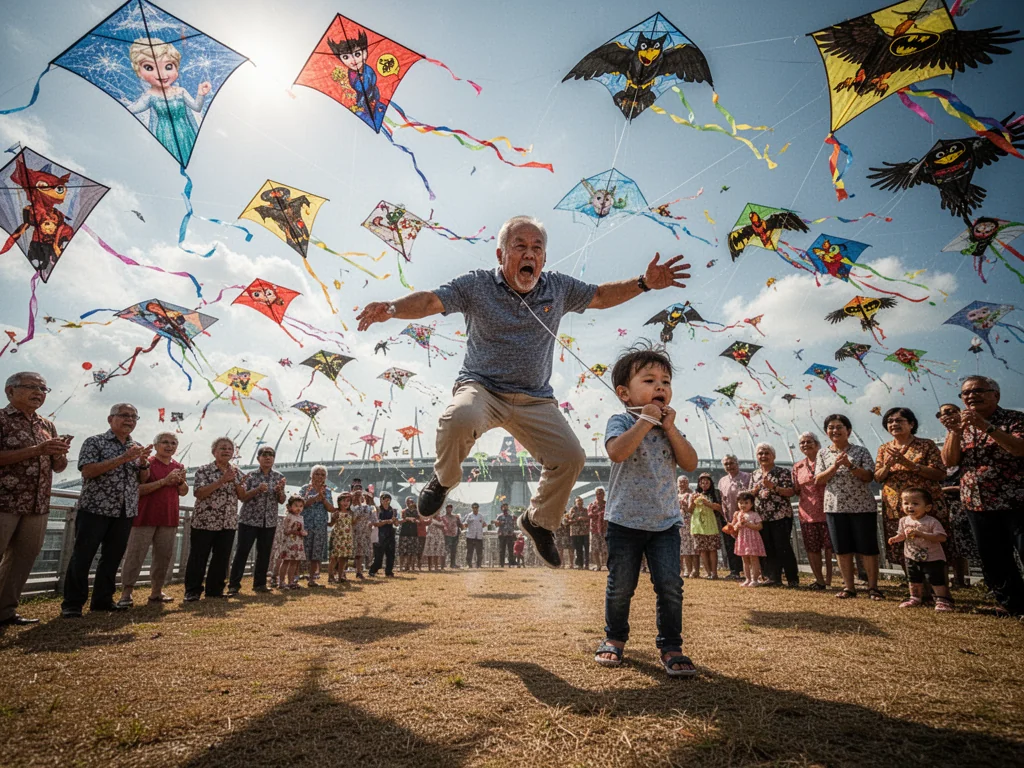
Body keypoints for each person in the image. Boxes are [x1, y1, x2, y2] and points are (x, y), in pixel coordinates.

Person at [356, 215, 691, 568]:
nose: (529, 253)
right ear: (501, 253)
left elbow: (601, 296)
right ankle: (443, 480)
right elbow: (430, 302)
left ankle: (537, 521)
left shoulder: (558, 287)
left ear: (543, 259)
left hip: (535, 398)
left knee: (572, 457)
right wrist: (392, 309)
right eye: (520, 246)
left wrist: (644, 283)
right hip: (482, 388)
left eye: (537, 248)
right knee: (459, 417)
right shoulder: (477, 285)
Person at [594, 343, 698, 677]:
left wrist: (668, 427)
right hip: (624, 520)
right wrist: (643, 422)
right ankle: (615, 639)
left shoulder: (669, 428)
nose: (660, 387)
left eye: (665, 382)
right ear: (624, 393)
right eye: (649, 380)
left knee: (669, 585)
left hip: (665, 522)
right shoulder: (621, 419)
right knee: (621, 585)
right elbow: (617, 452)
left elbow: (690, 463)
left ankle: (671, 646)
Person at [939, 376, 1024, 617]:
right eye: (965, 393)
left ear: (995, 395)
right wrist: (954, 432)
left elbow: (1019, 449)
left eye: (978, 391)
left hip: (1015, 499)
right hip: (977, 502)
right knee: (994, 557)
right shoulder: (961, 425)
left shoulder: (1014, 419)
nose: (971, 396)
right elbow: (949, 461)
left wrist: (986, 426)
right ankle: (1010, 604)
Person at [62, 404, 151, 618]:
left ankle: (102, 600)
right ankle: (73, 603)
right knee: (83, 556)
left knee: (112, 558)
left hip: (124, 510)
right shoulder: (95, 442)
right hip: (96, 507)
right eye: (124, 415)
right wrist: (123, 458)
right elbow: (88, 471)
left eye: (133, 416)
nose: (129, 420)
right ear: (110, 419)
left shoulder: (136, 446)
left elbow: (143, 479)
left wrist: (143, 463)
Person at [0, 372, 70, 626]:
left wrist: (58, 454)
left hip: (37, 504)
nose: (39, 393)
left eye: (43, 389)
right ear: (10, 391)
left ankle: (6, 611)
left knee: (22, 560)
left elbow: (58, 468)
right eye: (31, 387)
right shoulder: (1, 419)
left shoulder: (47, 425)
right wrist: (37, 450)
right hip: (5, 500)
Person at [875, 407, 951, 577]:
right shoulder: (883, 448)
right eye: (890, 421)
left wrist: (908, 463)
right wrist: (888, 465)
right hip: (897, 507)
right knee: (903, 542)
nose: (894, 424)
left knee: (933, 542)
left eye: (899, 420)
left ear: (911, 424)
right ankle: (915, 586)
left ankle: (939, 587)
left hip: (925, 505)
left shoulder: (926, 445)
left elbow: (940, 473)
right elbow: (878, 477)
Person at [815, 414, 882, 601]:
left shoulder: (860, 451)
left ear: (848, 431)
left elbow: (869, 476)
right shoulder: (822, 453)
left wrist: (850, 465)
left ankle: (873, 587)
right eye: (830, 427)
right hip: (834, 507)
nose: (834, 431)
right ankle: (849, 587)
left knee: (867, 548)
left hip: (862, 506)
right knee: (842, 549)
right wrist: (834, 467)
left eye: (839, 427)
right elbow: (818, 479)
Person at [118, 432, 187, 607]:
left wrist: (179, 481)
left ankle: (156, 592)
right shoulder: (146, 463)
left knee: (164, 557)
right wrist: (165, 481)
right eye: (165, 442)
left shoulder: (178, 466)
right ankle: (126, 593)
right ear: (155, 446)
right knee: (135, 554)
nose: (169, 446)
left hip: (169, 517)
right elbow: (138, 489)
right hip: (145, 516)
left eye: (173, 443)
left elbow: (184, 491)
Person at [186, 437, 244, 602]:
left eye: (229, 449)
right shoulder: (204, 470)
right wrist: (222, 480)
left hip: (228, 521)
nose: (227, 451)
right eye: (223, 448)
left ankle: (215, 590)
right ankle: (192, 590)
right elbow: (199, 492)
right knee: (199, 556)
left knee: (222, 557)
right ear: (214, 452)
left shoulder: (237, 472)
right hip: (205, 520)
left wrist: (239, 484)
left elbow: (242, 496)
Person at [228, 446, 286, 595]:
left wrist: (280, 492)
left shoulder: (279, 477)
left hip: (269, 521)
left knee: (265, 553)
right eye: (264, 455)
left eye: (271, 455)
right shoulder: (250, 476)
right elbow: (243, 497)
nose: (268, 458)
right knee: (242, 552)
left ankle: (260, 584)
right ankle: (234, 585)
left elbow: (282, 500)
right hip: (249, 519)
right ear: (258, 458)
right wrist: (258, 489)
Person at [888, 488, 954, 612]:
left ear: (927, 507)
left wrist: (921, 534)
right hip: (911, 555)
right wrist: (896, 538)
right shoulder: (904, 520)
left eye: (915, 503)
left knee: (935, 579)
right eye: (906, 503)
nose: (909, 506)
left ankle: (942, 599)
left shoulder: (931, 522)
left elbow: (942, 537)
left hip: (932, 557)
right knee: (913, 578)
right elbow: (902, 534)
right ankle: (915, 597)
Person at [749, 443, 798, 588]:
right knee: (767, 547)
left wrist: (774, 487)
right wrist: (753, 492)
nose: (763, 456)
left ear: (773, 456)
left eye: (766, 453)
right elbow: (750, 495)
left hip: (780, 516)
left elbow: (791, 492)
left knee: (783, 546)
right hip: (762, 517)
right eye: (760, 454)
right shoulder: (754, 474)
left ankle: (792, 578)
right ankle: (773, 577)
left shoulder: (782, 472)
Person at [791, 432, 833, 590]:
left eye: (809, 442)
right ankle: (819, 581)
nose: (805, 445)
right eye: (802, 443)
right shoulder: (797, 466)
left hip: (828, 510)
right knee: (812, 548)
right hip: (807, 513)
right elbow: (796, 489)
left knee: (830, 549)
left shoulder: (827, 461)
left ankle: (830, 580)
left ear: (817, 444)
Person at [299, 466, 334, 586]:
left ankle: (312, 579)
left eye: (322, 475)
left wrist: (323, 498)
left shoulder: (328, 491)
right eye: (317, 474)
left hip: (320, 525)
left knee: (316, 552)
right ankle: (295, 577)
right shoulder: (305, 489)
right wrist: (315, 498)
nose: (319, 477)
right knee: (302, 551)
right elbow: (301, 504)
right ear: (311, 475)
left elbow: (331, 509)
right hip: (306, 524)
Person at [717, 455, 749, 580]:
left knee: (746, 545)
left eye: (731, 463)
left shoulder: (747, 477)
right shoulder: (722, 481)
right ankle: (735, 571)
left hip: (744, 519)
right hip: (729, 519)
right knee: (731, 546)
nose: (729, 466)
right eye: (726, 464)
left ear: (737, 463)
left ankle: (750, 571)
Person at [690, 474, 722, 579]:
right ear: (699, 484)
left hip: (711, 525)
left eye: (707, 482)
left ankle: (714, 573)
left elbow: (719, 508)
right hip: (698, 525)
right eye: (702, 482)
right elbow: (690, 510)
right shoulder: (694, 494)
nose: (704, 485)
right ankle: (708, 573)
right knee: (702, 550)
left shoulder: (715, 493)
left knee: (712, 549)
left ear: (711, 483)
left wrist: (707, 503)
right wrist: (692, 502)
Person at [731, 491, 765, 587]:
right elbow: (733, 527)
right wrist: (737, 525)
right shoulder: (737, 514)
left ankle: (755, 579)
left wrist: (748, 524)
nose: (743, 505)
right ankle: (748, 579)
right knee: (745, 559)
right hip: (742, 539)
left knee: (754, 559)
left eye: (746, 503)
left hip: (753, 539)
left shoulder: (754, 514)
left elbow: (759, 526)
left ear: (751, 504)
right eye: (741, 503)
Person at [278, 496, 308, 590]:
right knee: (286, 561)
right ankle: (282, 582)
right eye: (296, 506)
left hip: (298, 542)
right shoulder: (289, 517)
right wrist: (294, 532)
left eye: (301, 506)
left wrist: (303, 532)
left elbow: (301, 529)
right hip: (289, 542)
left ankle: (291, 581)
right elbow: (286, 530)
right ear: (290, 507)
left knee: (294, 562)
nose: (299, 508)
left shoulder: (301, 517)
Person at [369, 493, 398, 577]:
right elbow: (376, 522)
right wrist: (386, 521)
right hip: (380, 533)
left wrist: (395, 521)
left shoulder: (392, 510)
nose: (386, 501)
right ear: (381, 500)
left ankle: (389, 571)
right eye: (385, 499)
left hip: (390, 533)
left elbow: (396, 524)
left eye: (388, 500)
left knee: (391, 554)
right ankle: (373, 570)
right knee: (378, 555)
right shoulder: (377, 509)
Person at [328, 492, 354, 582]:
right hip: (338, 537)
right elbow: (331, 524)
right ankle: (331, 576)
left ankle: (340, 576)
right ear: (339, 502)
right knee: (334, 557)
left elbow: (352, 523)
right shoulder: (336, 512)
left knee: (343, 558)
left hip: (347, 538)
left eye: (348, 501)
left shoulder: (351, 512)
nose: (346, 503)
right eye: (343, 501)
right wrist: (333, 519)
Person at [676, 477, 698, 578]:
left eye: (685, 482)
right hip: (677, 523)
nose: (682, 484)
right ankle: (682, 569)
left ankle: (693, 570)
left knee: (691, 548)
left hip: (688, 522)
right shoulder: (675, 494)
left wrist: (684, 506)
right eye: (680, 482)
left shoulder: (691, 494)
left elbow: (691, 510)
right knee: (680, 547)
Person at [350, 489, 374, 579]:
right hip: (352, 533)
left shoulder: (367, 508)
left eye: (360, 496)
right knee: (347, 554)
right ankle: (340, 572)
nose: (358, 498)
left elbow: (373, 517)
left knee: (360, 553)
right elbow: (351, 521)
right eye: (356, 496)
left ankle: (359, 571)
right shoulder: (350, 507)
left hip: (363, 533)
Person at [588, 488, 608, 571]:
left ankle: (607, 565)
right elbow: (589, 514)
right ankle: (598, 565)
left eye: (601, 494)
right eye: (598, 494)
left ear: (604, 495)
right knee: (595, 549)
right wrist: (599, 514)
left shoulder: (607, 505)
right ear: (596, 495)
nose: (599, 495)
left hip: (605, 529)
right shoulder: (592, 505)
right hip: (595, 530)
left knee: (605, 549)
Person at [399, 496, 421, 572]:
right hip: (404, 532)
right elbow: (402, 519)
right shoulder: (404, 511)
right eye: (408, 502)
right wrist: (407, 519)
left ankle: (410, 566)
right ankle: (402, 566)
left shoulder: (416, 512)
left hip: (413, 533)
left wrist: (416, 520)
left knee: (412, 551)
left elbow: (419, 520)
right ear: (406, 503)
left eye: (411, 502)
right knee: (403, 551)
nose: (410, 503)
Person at [569, 496, 590, 569]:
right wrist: (577, 519)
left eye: (581, 501)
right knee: (578, 549)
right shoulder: (572, 510)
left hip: (585, 532)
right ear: (575, 502)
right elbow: (568, 520)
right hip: (576, 533)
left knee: (586, 548)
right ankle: (580, 564)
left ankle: (586, 564)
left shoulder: (585, 510)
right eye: (578, 501)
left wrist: (584, 518)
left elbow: (589, 518)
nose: (580, 503)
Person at [495, 502, 518, 568]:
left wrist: (515, 520)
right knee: (502, 550)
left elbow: (514, 526)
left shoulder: (511, 516)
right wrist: (499, 523)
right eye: (504, 506)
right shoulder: (499, 516)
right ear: (502, 508)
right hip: (502, 535)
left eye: (506, 506)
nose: (505, 508)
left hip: (509, 535)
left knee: (510, 549)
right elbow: (496, 525)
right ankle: (501, 564)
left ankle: (511, 563)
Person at [463, 503, 485, 568]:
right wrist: (466, 524)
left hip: (478, 536)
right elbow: (465, 524)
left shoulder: (481, 516)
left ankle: (479, 565)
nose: (475, 509)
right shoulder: (469, 515)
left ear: (478, 508)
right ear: (472, 508)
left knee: (479, 551)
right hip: (470, 536)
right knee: (470, 551)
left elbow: (483, 524)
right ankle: (469, 564)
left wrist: (484, 525)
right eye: (474, 507)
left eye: (476, 507)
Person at [441, 504, 462, 569]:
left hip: (455, 535)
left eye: (450, 508)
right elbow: (441, 526)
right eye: (447, 508)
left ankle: (452, 564)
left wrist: (460, 522)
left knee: (453, 550)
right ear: (446, 509)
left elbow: (460, 525)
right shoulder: (443, 517)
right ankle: (443, 564)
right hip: (447, 535)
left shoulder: (455, 517)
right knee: (446, 550)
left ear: (451, 509)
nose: (449, 510)